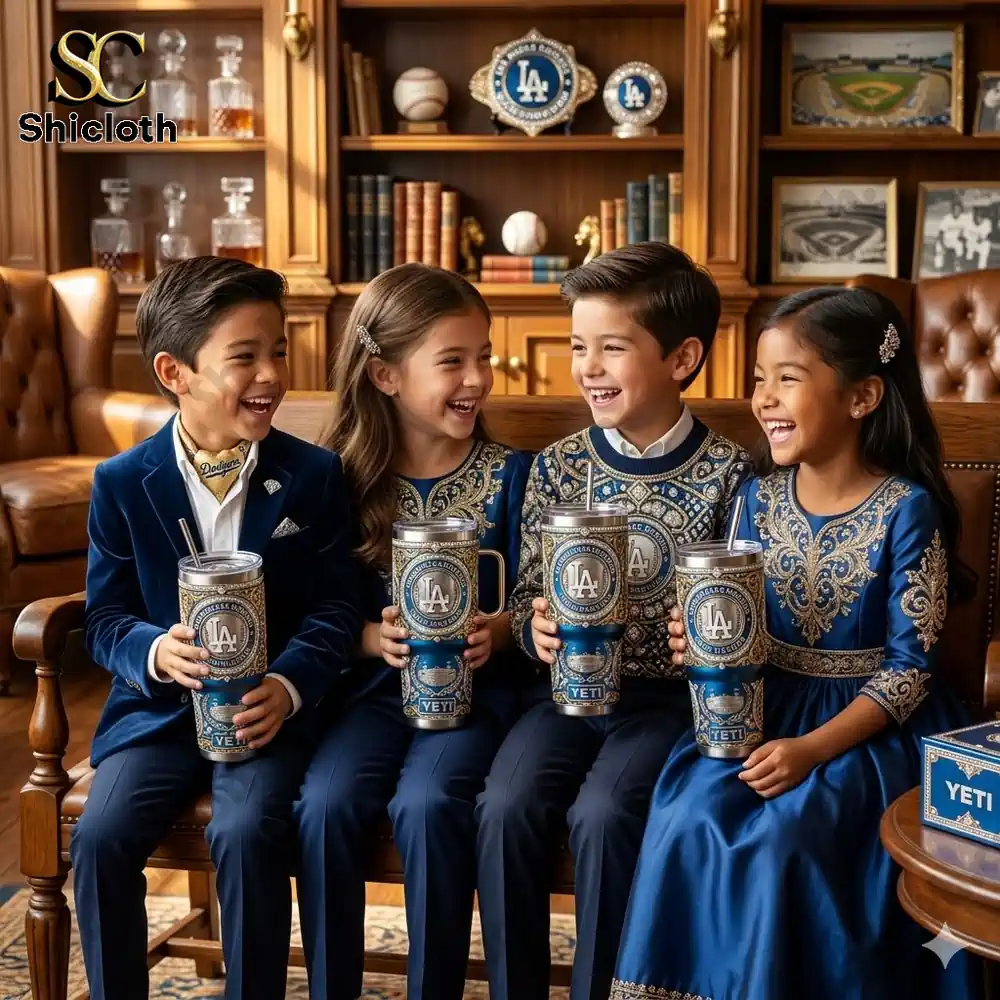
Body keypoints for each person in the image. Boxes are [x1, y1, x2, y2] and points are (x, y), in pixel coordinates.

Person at [611, 286, 983, 1000]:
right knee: (686, 815)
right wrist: (704, 641)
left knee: (786, 840)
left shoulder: (909, 511)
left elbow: (910, 673)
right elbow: (736, 615)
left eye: (788, 377)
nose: (765, 398)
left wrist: (813, 750)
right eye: (759, 379)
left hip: (867, 734)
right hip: (759, 711)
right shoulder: (755, 497)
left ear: (862, 395)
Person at [72, 256, 362, 1000]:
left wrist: (290, 687)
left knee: (245, 832)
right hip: (157, 718)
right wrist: (153, 651)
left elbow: (338, 608)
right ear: (176, 371)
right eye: (245, 357)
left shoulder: (315, 475)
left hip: (266, 715)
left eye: (277, 352)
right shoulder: (119, 483)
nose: (270, 373)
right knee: (100, 840)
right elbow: (103, 618)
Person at [475, 242, 751, 1000]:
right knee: (504, 806)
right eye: (577, 347)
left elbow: (740, 610)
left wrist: (704, 642)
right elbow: (530, 587)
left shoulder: (733, 473)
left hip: (666, 707)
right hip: (561, 695)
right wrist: (532, 631)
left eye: (611, 348)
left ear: (682, 357)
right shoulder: (558, 465)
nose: (588, 366)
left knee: (603, 815)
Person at [293, 263, 533, 1000]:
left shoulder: (514, 475)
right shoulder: (337, 481)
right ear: (386, 375)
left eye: (484, 356)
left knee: (427, 807)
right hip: (369, 696)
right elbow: (309, 601)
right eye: (453, 361)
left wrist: (503, 626)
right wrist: (368, 637)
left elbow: (541, 593)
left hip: (480, 701)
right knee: (325, 804)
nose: (479, 378)